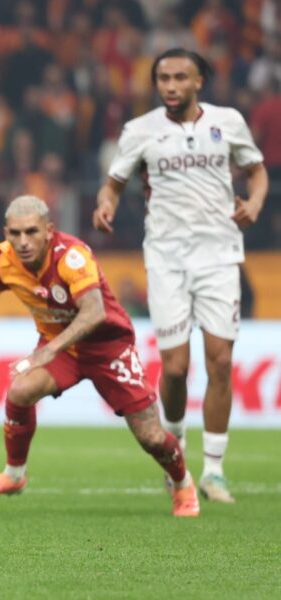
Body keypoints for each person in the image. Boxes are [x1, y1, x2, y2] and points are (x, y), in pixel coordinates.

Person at [0, 195, 200, 518]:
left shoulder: (72, 257)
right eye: (15, 233)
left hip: (108, 346)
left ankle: (182, 483)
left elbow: (93, 313)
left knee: (151, 437)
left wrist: (48, 350)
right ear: (6, 233)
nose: (23, 242)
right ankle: (14, 474)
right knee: (20, 390)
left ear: (49, 231)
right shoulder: (5, 261)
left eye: (31, 232)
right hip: (62, 347)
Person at [94, 48, 268, 503]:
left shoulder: (228, 122)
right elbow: (114, 184)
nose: (170, 86)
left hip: (219, 255)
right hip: (166, 258)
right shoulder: (140, 130)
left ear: (198, 82)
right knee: (174, 368)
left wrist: (254, 203)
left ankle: (214, 471)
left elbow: (257, 172)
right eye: (163, 78)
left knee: (220, 361)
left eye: (179, 77)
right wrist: (106, 205)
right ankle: (176, 455)